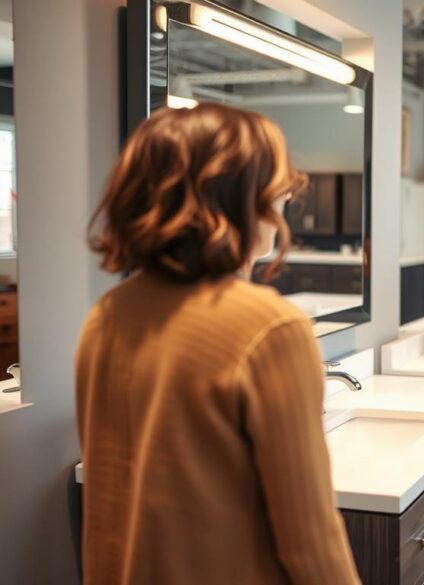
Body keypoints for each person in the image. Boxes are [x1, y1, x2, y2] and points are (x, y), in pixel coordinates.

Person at [76, 103, 362, 584]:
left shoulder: (106, 317)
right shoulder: (271, 329)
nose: (287, 195)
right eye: (276, 183)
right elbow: (311, 542)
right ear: (239, 196)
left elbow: (108, 498)